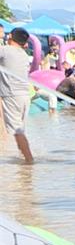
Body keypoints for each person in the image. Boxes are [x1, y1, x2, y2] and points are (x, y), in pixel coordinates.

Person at [0, 27, 34, 163]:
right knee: (20, 130)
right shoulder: (23, 54)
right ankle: (23, 161)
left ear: (10, 37)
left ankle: (29, 162)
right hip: (24, 95)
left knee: (17, 131)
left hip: (12, 95)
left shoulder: (6, 51)